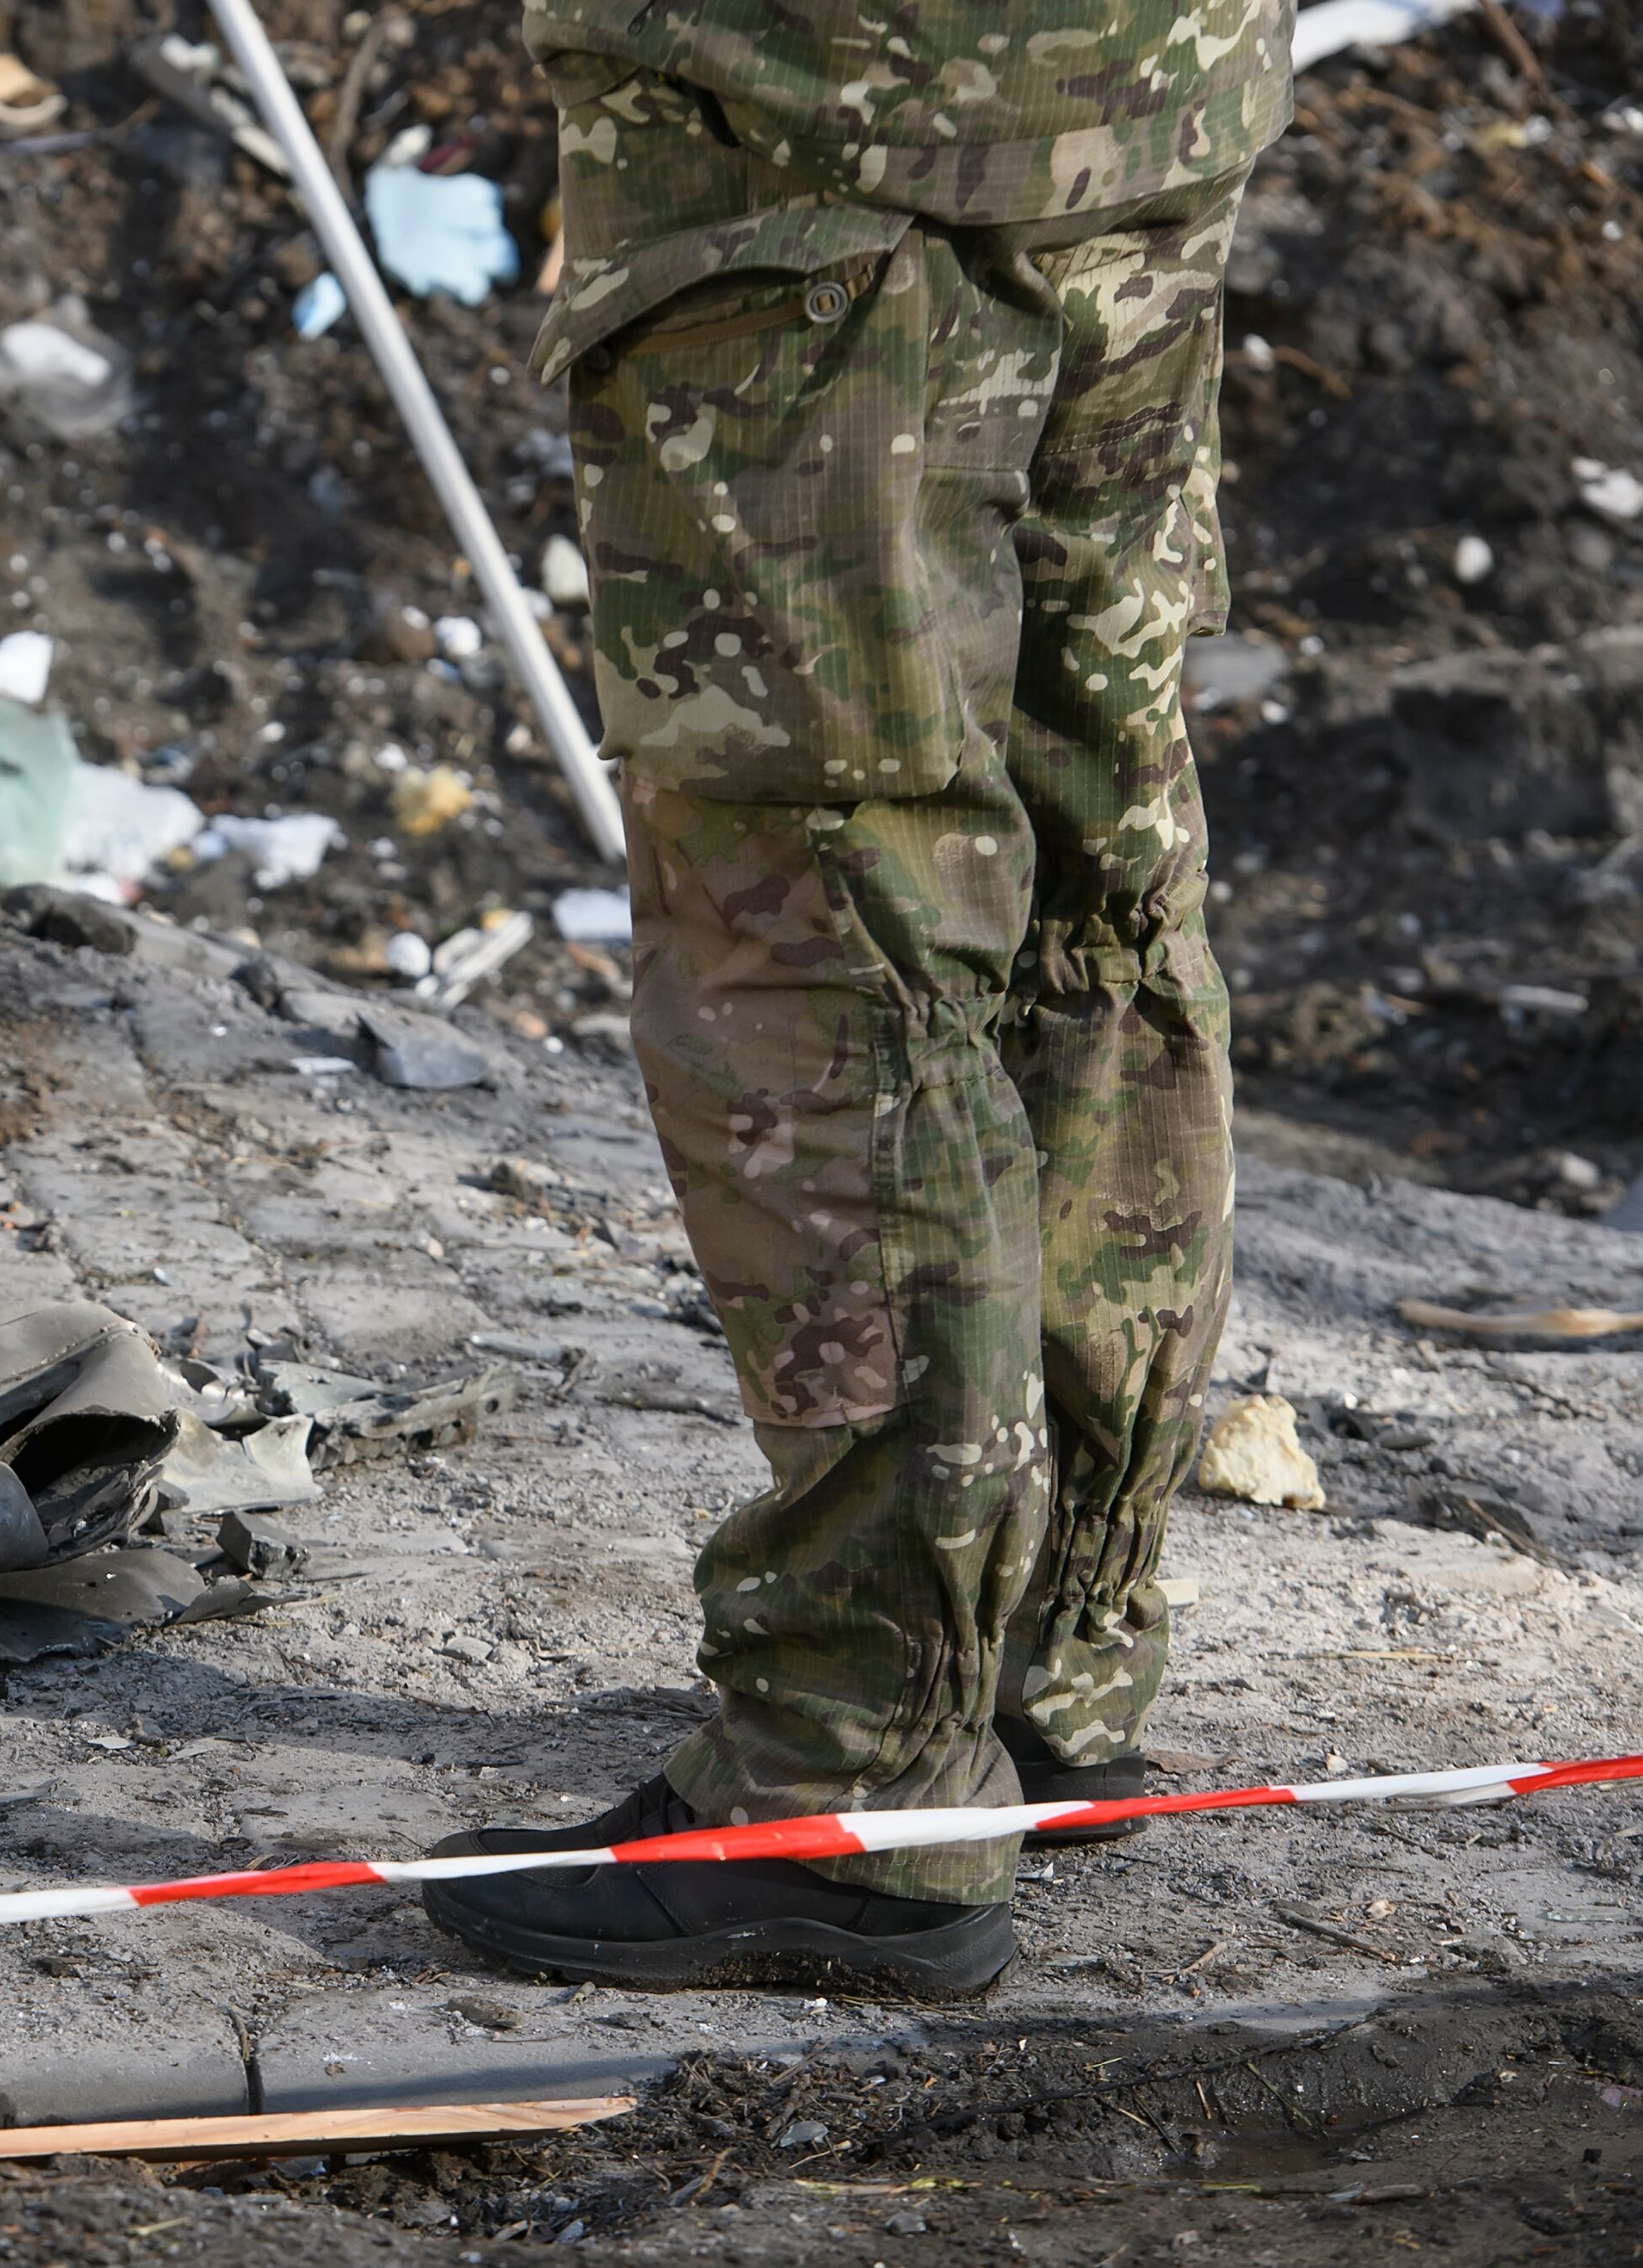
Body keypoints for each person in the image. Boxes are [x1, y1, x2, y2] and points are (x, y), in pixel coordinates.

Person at [422, 0, 1294, 1997]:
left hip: (826, 125)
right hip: (1132, 84)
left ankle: (859, 1771)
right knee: (1093, 871)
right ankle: (1035, 1666)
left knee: (824, 917)